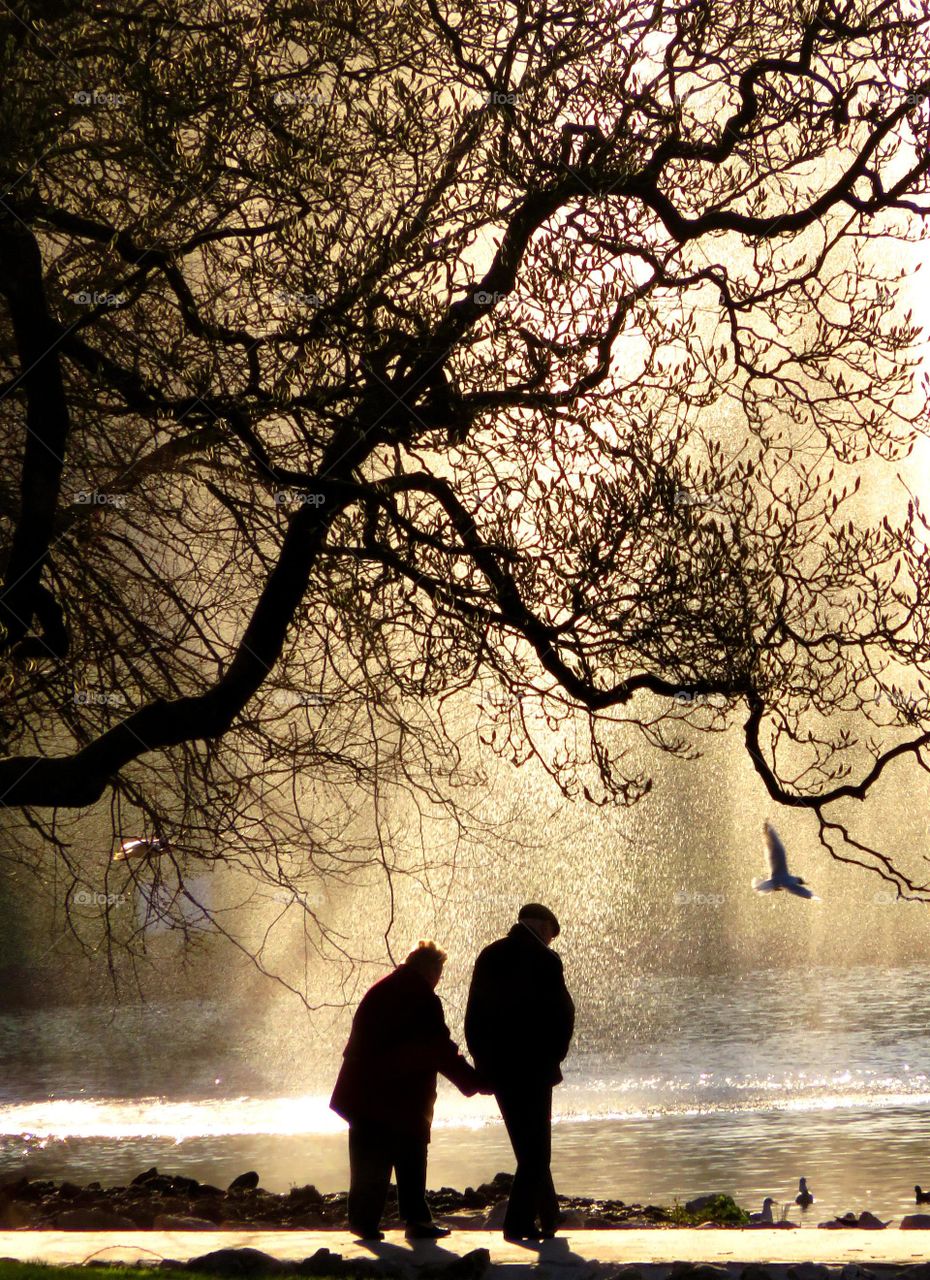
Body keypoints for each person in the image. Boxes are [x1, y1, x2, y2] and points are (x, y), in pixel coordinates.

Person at [330, 940, 484, 1241]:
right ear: (430, 969)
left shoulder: (381, 989)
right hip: (400, 1095)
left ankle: (363, 1222)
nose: (439, 979)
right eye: (439, 972)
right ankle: (416, 1221)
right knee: (411, 1153)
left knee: (368, 1157)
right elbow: (439, 1049)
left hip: (361, 1093)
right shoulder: (421, 997)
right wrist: (474, 1082)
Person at [464, 903, 574, 1242]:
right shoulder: (545, 960)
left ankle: (550, 1215)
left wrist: (482, 1063)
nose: (550, 942)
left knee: (525, 1146)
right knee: (537, 1151)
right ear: (542, 928)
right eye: (550, 935)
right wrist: (555, 1057)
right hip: (534, 1068)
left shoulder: (490, 955)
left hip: (498, 1068)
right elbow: (562, 1014)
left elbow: (474, 1018)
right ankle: (517, 1224)